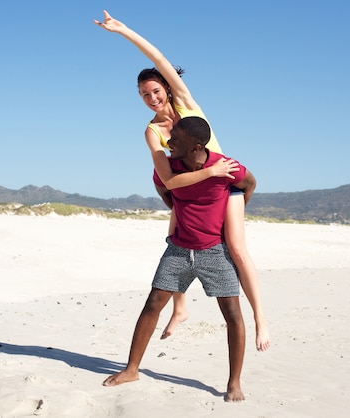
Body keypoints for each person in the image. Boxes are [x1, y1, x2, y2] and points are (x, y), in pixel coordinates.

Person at [94, 10, 270, 351]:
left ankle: (261, 320)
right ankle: (180, 307)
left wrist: (124, 31)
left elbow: (159, 57)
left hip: (223, 183)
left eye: (155, 90)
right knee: (177, 241)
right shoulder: (152, 132)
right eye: (144, 94)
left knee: (235, 248)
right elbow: (168, 178)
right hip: (188, 192)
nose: (152, 98)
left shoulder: (188, 104)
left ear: (165, 86)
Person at [102, 116, 252, 402]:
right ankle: (131, 369)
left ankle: (234, 383)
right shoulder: (170, 169)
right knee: (153, 304)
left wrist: (236, 210)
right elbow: (163, 186)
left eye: (176, 140)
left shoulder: (226, 167)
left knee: (233, 315)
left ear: (196, 146)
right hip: (179, 249)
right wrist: (177, 207)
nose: (169, 144)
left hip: (215, 251)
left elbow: (250, 184)